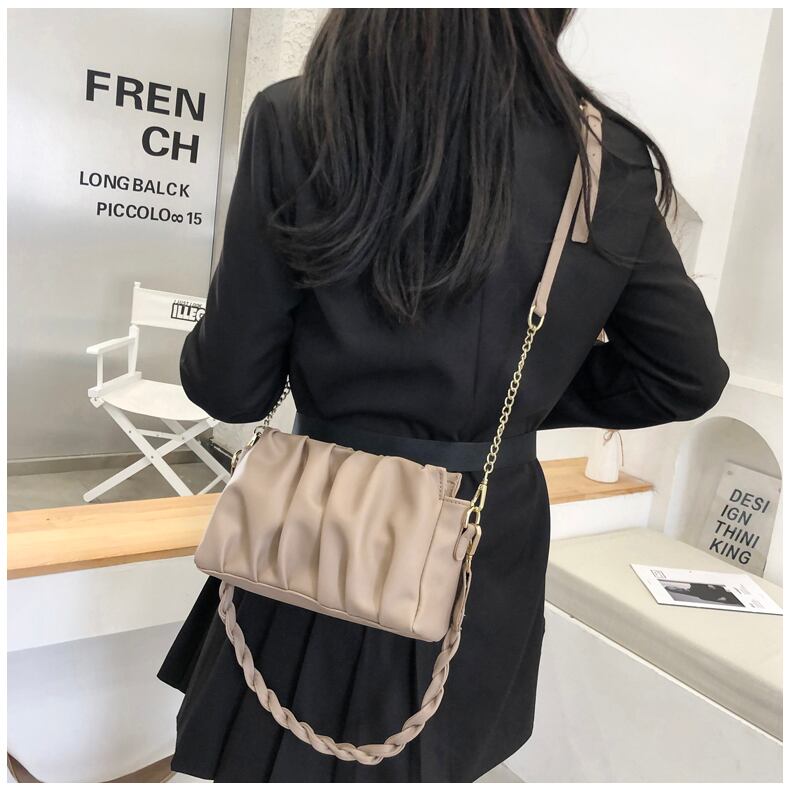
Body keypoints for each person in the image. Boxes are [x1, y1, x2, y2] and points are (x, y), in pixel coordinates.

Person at [157, 9, 729, 782]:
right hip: (483, 530)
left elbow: (229, 387)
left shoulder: (302, 116)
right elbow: (684, 374)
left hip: (323, 515)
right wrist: (513, 409)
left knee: (281, 754)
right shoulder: (603, 160)